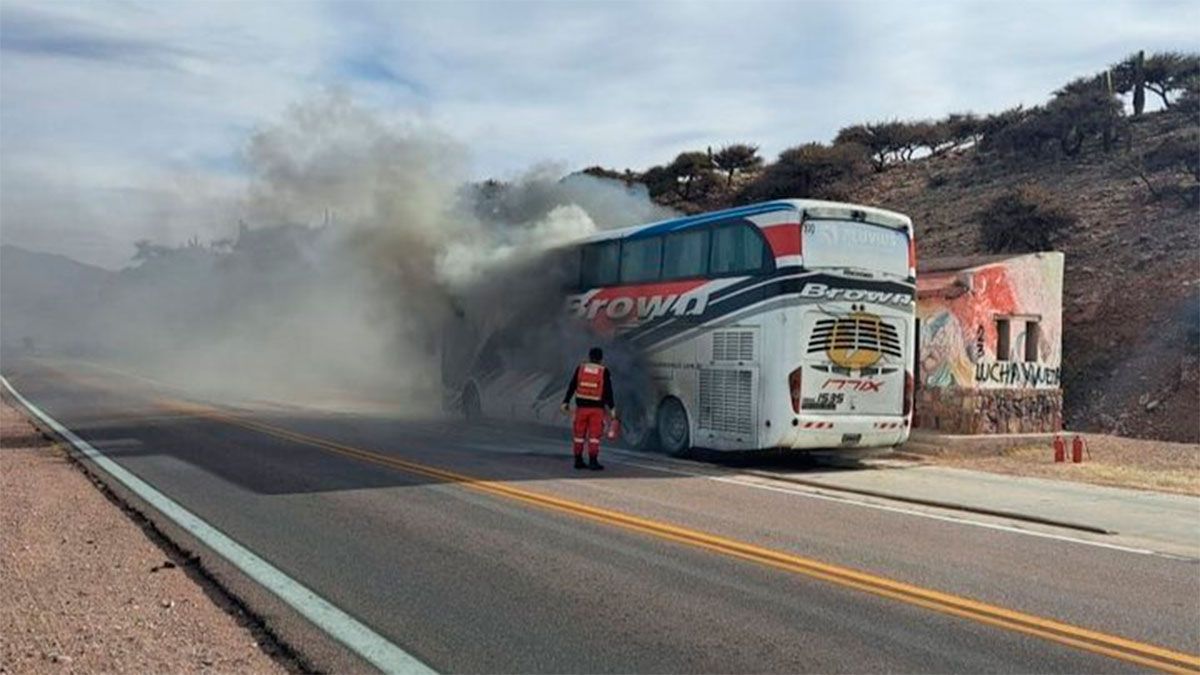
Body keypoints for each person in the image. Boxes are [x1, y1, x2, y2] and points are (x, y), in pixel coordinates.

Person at [561, 347, 616, 470]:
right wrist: (612, 408)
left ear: (589, 357)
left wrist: (566, 401)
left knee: (579, 436)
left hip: (581, 409)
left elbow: (572, 385)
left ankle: (578, 460)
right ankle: (593, 461)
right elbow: (608, 391)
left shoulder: (581, 369)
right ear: (601, 359)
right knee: (594, 437)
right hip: (596, 410)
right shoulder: (603, 371)